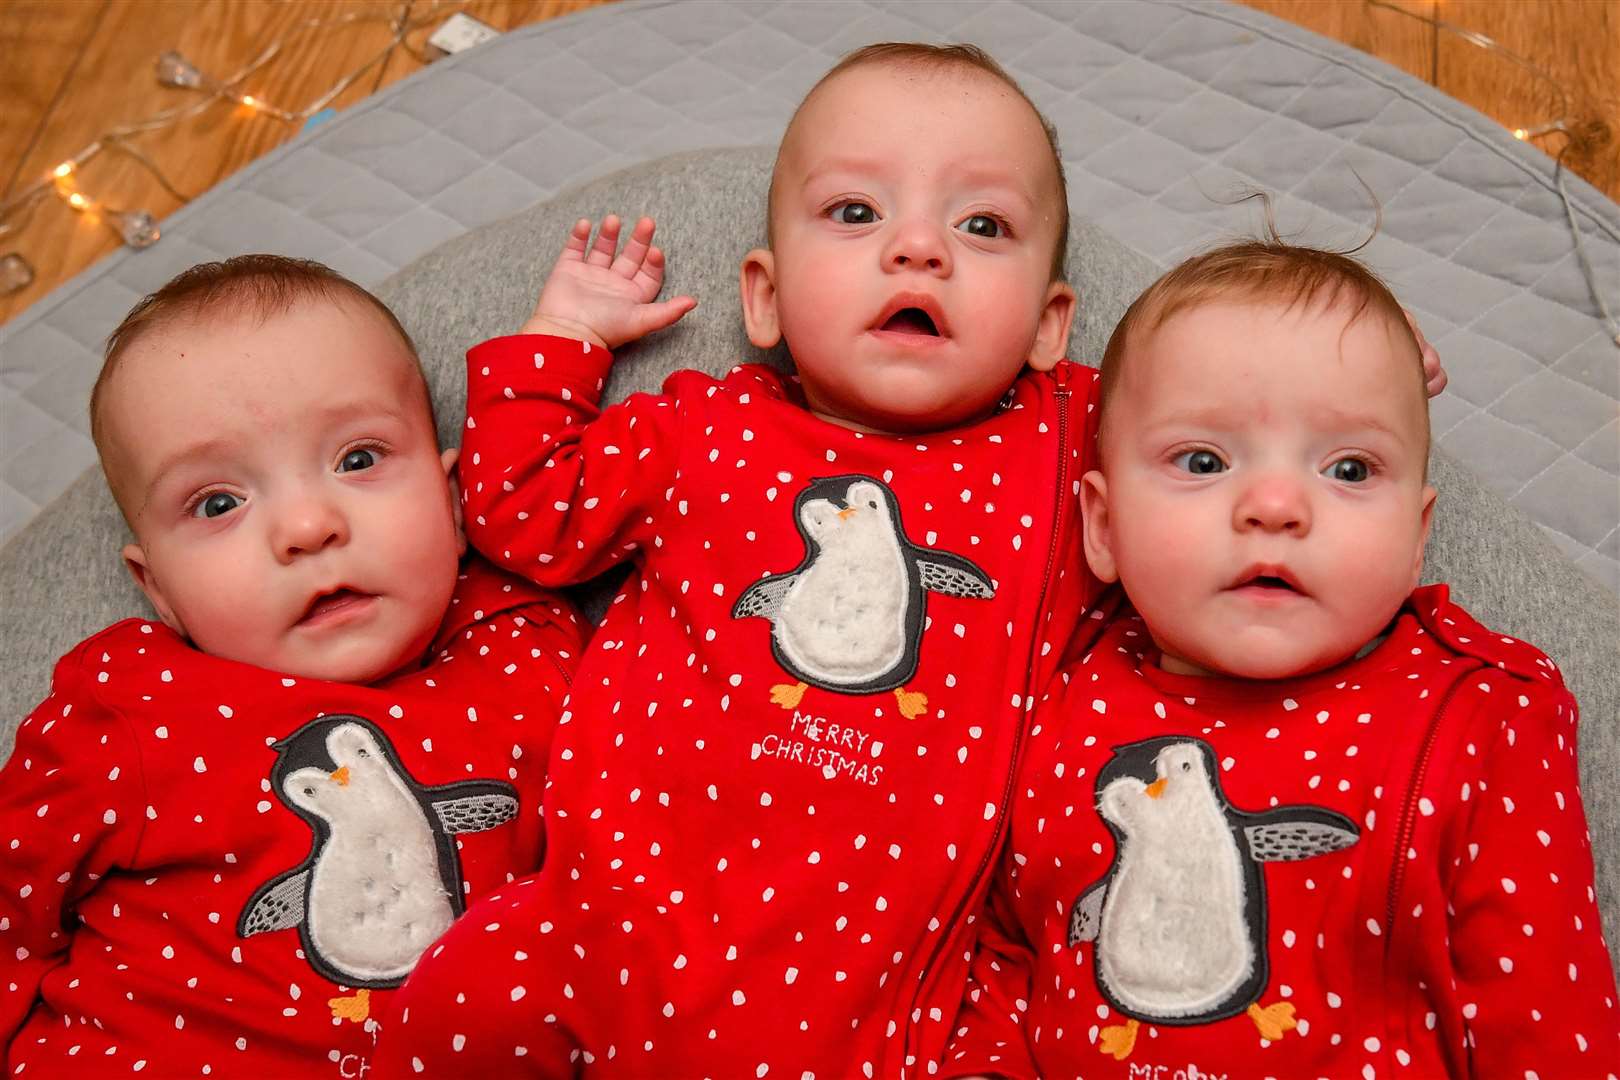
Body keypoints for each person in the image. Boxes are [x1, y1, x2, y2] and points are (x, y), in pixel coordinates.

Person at [375, 44, 1447, 1078]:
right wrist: (567, 333)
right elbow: (520, 510)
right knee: (446, 1016)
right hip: (606, 929)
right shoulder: (703, 429)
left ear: (1048, 324)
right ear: (766, 298)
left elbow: (1212, 408)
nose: (918, 248)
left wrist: (1331, 382)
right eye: (857, 213)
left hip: (900, 991)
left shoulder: (1074, 445)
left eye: (982, 226)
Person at [940, 241, 1620, 1078]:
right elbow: (1007, 956)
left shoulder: (1482, 718)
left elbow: (1549, 1027)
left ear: (1417, 535)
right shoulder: (1061, 700)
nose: (1274, 506)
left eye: (1348, 467)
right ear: (1104, 528)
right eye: (1203, 461)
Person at [0, 255, 585, 1078]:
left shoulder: (525, 646)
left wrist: (569, 334)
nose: (308, 526)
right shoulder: (130, 704)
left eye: (358, 459)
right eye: (218, 504)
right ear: (159, 588)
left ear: (455, 506)